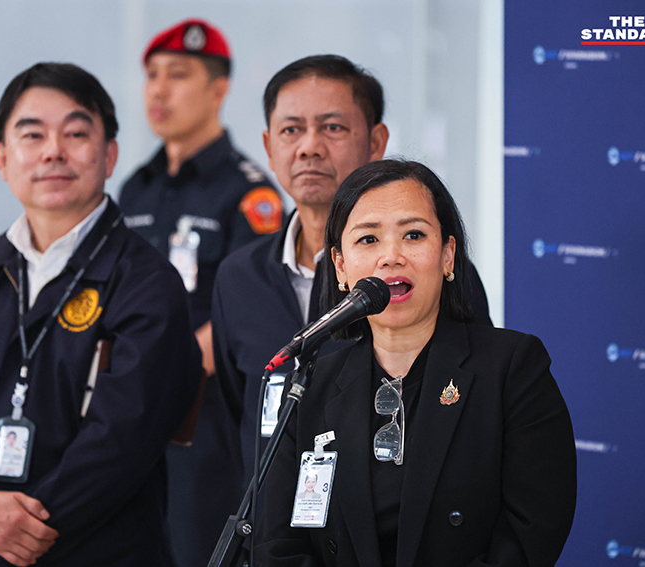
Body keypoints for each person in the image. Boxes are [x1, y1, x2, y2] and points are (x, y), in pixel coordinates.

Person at [0, 62, 201, 567]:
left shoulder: (146, 282)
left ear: (109, 155)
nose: (53, 150)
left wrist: (0, 554)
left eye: (76, 133)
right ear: (2, 157)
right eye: (32, 134)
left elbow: (119, 445)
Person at [256, 159, 577, 566]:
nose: (391, 256)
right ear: (340, 266)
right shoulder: (312, 386)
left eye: (413, 235)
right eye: (368, 240)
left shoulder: (513, 368)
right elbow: (278, 545)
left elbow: (531, 534)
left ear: (447, 255)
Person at [211, 55, 492, 487]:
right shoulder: (237, 277)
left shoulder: (422, 272)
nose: (309, 147)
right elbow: (239, 415)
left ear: (377, 141)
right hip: (273, 538)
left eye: (333, 128)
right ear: (268, 147)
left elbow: (470, 403)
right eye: (291, 130)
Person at [118, 19, 283, 567]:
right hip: (130, 419)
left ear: (218, 89)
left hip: (205, 426)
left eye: (178, 75)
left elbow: (249, 309)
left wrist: (162, 375)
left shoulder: (248, 190)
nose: (158, 90)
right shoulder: (136, 186)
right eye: (152, 76)